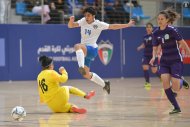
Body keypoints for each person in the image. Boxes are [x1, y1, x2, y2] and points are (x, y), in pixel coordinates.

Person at [68, 7, 135, 94]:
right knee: (86, 75)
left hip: (92, 49)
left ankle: (80, 67)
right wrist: (71, 21)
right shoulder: (83, 21)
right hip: (86, 52)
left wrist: (127, 25)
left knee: (77, 46)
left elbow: (113, 26)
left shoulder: (98, 24)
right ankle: (105, 84)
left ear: (93, 16)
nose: (86, 17)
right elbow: (70, 26)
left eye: (88, 15)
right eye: (85, 15)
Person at [149, 9, 190, 114]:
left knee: (176, 87)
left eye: (162, 19)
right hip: (164, 61)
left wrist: (188, 51)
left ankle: (181, 81)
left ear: (167, 20)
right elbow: (155, 47)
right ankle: (176, 107)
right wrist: (153, 57)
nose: (159, 21)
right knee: (165, 84)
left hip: (175, 60)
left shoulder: (172, 30)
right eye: (158, 19)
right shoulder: (155, 32)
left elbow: (182, 42)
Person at [137, 22, 160, 87]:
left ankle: (161, 78)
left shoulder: (154, 35)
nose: (148, 28)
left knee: (154, 70)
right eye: (147, 27)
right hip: (146, 55)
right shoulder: (145, 36)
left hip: (153, 55)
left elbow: (158, 44)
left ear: (152, 28)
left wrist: (158, 51)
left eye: (150, 27)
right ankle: (147, 83)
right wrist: (140, 47)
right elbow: (144, 44)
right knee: (145, 67)